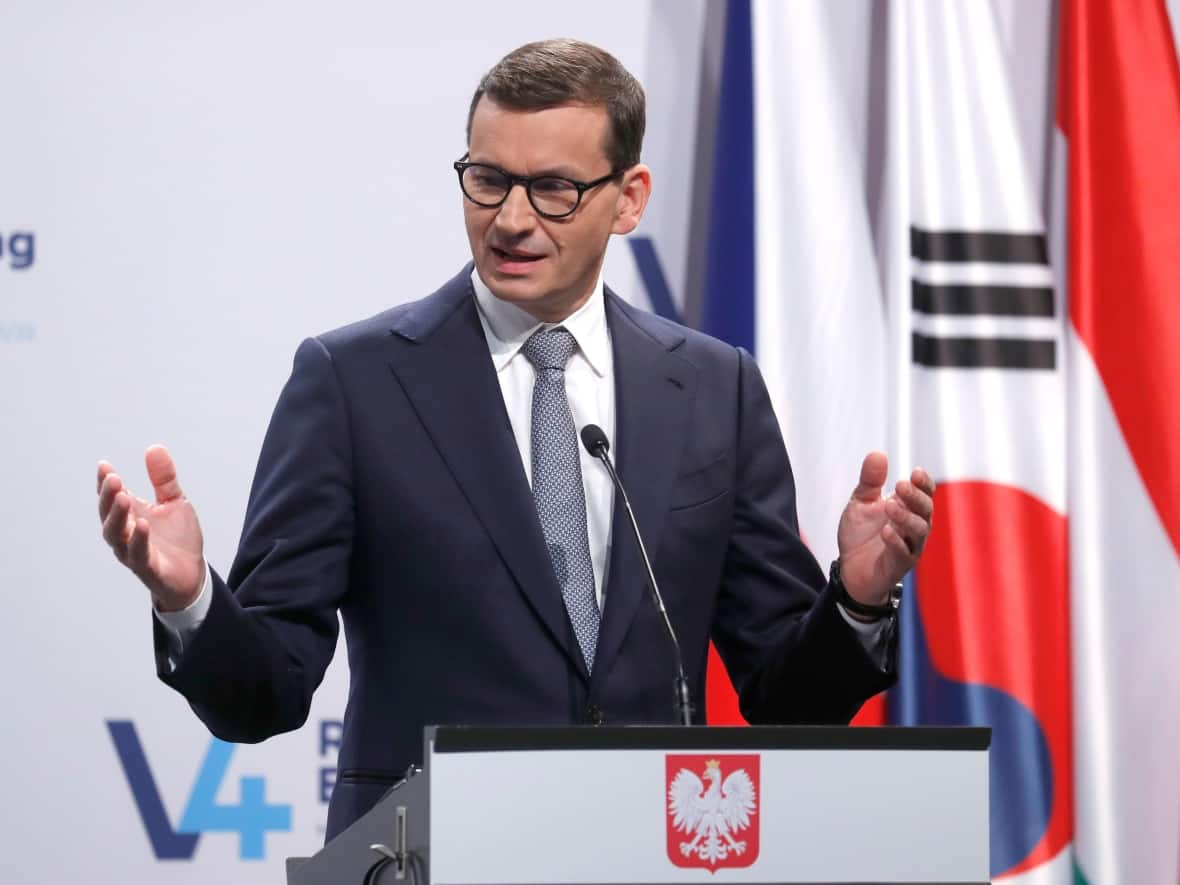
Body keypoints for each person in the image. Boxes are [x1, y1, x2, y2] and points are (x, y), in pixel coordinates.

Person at [96, 39, 935, 840]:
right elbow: (263, 694)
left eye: (554, 190)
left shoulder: (717, 389)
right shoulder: (352, 383)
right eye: (487, 180)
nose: (511, 220)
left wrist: (856, 601)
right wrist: (190, 599)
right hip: (428, 857)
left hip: (648, 853)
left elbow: (785, 696)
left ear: (629, 197)